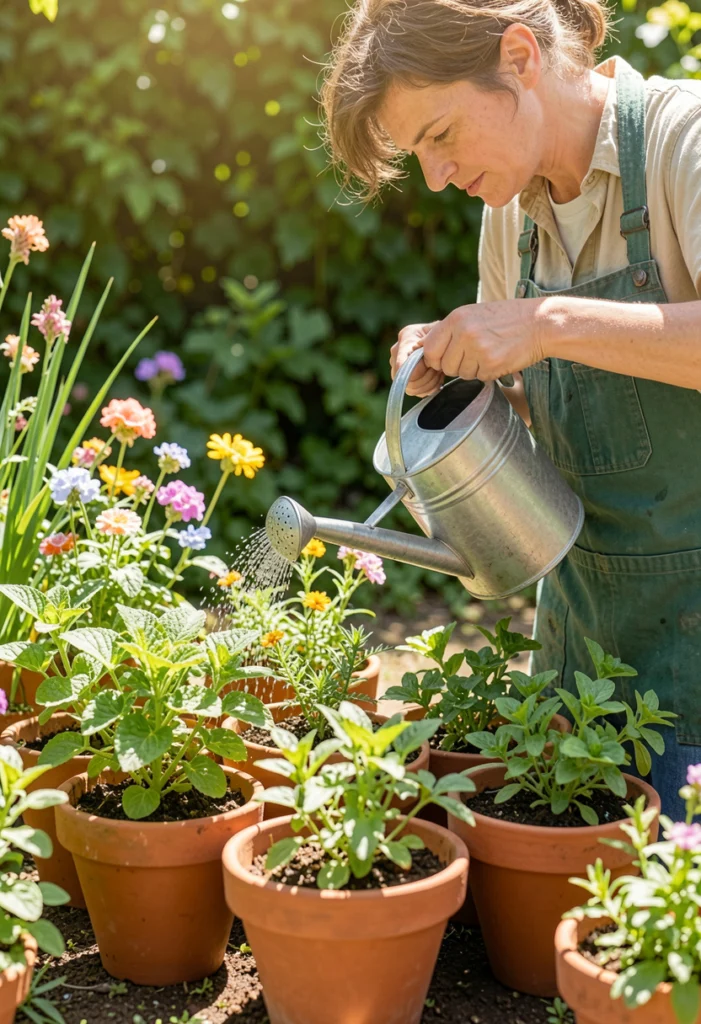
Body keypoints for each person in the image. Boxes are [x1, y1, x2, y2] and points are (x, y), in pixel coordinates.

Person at [321, 0, 701, 818]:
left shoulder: (682, 140)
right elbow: (555, 404)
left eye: (439, 136)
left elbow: (557, 338)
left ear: (520, 57)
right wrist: (467, 382)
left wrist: (546, 323)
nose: (434, 177)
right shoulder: (511, 216)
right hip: (577, 665)